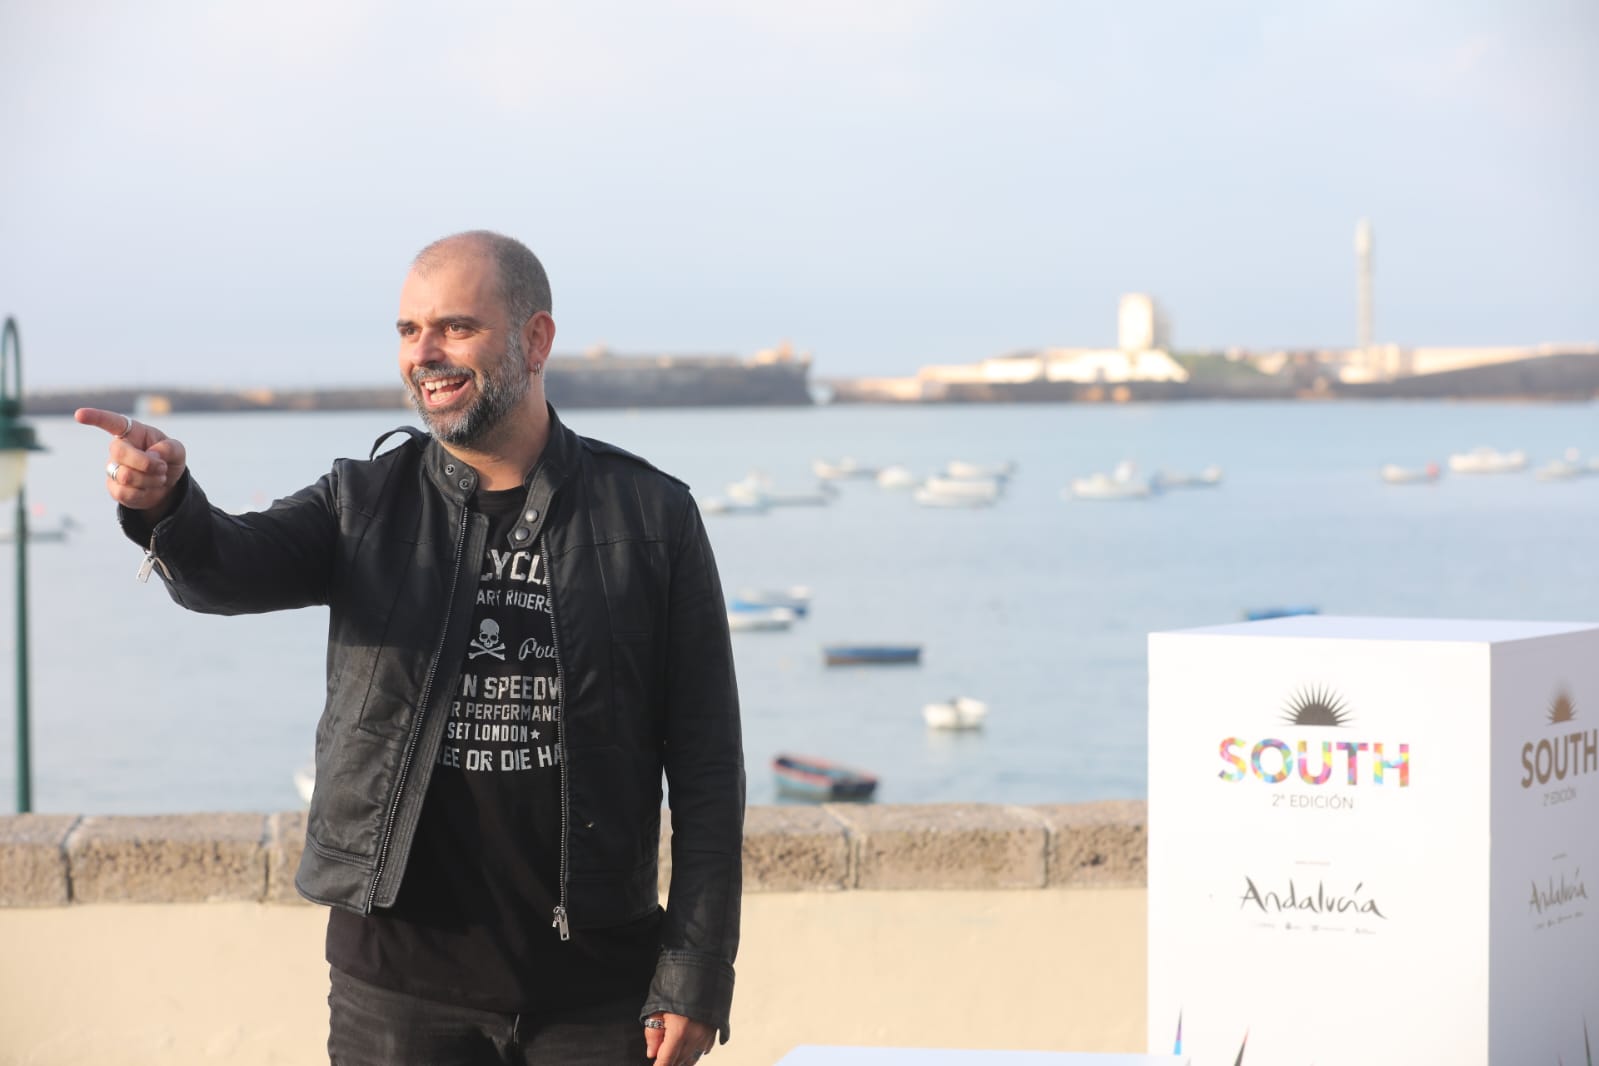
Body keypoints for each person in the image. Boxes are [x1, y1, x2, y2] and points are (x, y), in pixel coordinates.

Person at [77, 230, 744, 1065]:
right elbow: (225, 569)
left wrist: (696, 970)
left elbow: (709, 767)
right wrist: (167, 503)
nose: (423, 354)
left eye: (454, 327)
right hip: (394, 998)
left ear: (535, 340)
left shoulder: (651, 516)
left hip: (597, 998)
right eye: (406, 331)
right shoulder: (361, 504)